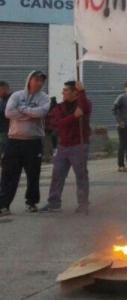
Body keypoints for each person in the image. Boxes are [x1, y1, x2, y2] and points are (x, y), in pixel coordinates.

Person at [0, 70, 51, 216]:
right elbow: (8, 113)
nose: (39, 83)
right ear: (29, 80)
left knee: (33, 174)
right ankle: (3, 205)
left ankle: (31, 202)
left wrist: (22, 110)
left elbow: (41, 112)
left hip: (33, 142)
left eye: (41, 81)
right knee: (9, 174)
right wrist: (29, 113)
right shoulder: (16, 96)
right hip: (14, 141)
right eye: (36, 80)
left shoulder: (44, 98)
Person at [39, 80, 92, 214]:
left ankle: (83, 204)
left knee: (81, 176)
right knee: (57, 174)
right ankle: (54, 203)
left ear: (75, 92)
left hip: (79, 144)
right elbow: (59, 123)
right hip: (63, 146)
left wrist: (82, 91)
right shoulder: (59, 108)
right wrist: (74, 117)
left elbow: (86, 108)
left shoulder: (83, 103)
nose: (63, 92)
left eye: (66, 90)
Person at [0, 81, 10, 158]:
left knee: (5, 149)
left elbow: (7, 113)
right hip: (3, 130)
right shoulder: (3, 100)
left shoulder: (11, 100)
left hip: (7, 130)